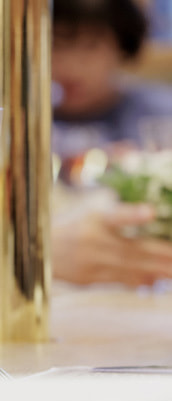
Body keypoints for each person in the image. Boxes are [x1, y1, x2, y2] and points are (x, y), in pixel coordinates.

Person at [50, 0, 172, 287]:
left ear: (121, 46)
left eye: (90, 47)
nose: (72, 64)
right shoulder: (24, 122)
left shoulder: (159, 115)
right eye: (57, 45)